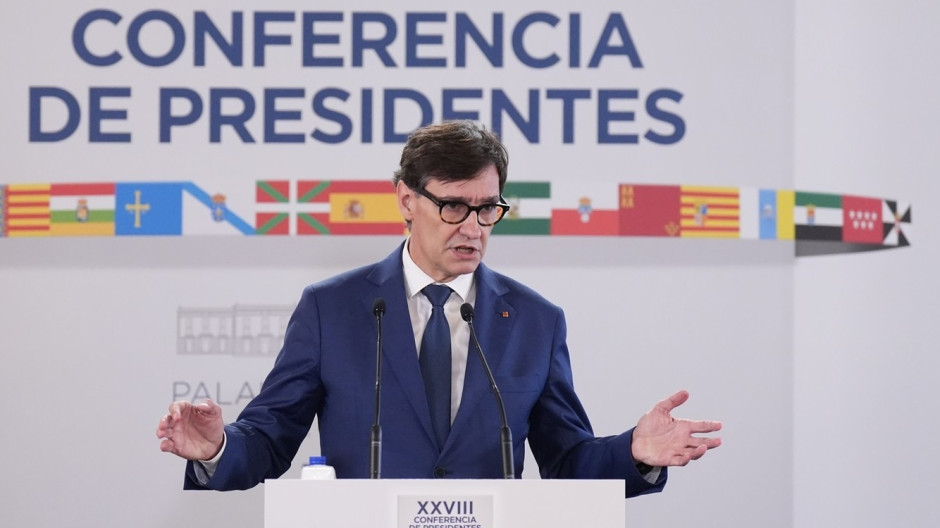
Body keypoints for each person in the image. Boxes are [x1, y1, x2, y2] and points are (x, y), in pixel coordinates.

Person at [156, 120, 721, 496]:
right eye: (453, 206)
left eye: (487, 208)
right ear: (407, 199)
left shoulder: (535, 322)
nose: (473, 227)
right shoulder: (332, 309)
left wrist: (634, 452)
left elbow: (567, 460)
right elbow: (270, 437)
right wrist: (217, 449)